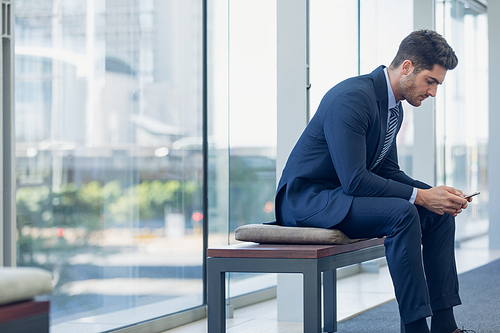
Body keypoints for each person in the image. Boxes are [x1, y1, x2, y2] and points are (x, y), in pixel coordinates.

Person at [275, 29, 475, 333]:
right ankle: (416, 327)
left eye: (437, 84)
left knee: (439, 216)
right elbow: (356, 180)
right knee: (403, 212)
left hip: (341, 195)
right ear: (407, 67)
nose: (433, 92)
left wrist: (434, 195)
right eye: (430, 81)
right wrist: (420, 197)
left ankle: (446, 326)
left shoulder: (392, 107)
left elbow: (388, 170)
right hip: (308, 200)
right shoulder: (353, 98)